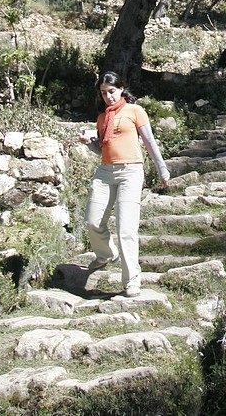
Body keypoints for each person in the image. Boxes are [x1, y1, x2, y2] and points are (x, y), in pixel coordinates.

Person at [78, 70, 170, 298]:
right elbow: (103, 147)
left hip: (131, 171)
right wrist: (89, 143)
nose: (108, 96)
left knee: (126, 227)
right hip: (105, 171)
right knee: (92, 220)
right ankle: (107, 254)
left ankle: (132, 280)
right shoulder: (102, 118)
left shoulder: (135, 111)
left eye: (111, 91)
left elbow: (149, 142)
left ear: (121, 89)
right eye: (103, 93)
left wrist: (162, 169)